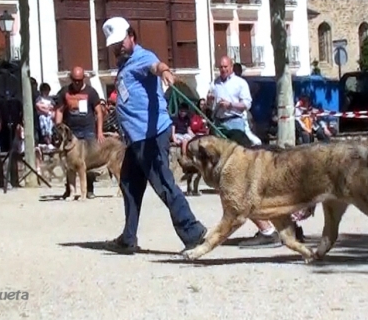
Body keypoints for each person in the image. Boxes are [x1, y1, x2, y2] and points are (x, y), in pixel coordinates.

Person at [102, 16, 207, 253]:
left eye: (120, 42)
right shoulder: (124, 64)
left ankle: (193, 231)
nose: (117, 47)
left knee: (164, 185)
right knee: (129, 184)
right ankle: (128, 238)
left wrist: (165, 72)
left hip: (150, 137)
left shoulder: (141, 57)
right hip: (136, 139)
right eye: (113, 45)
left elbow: (156, 66)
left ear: (132, 36)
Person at [208, 56, 281, 249]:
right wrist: (208, 103)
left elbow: (246, 104)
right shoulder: (214, 84)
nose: (222, 70)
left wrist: (230, 105)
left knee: (238, 178)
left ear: (231, 67)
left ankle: (269, 229)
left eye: (225, 67)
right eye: (220, 67)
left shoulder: (240, 84)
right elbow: (208, 106)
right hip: (219, 125)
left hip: (236, 125)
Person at [55, 67, 104, 199]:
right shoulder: (65, 92)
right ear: (71, 79)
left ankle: (89, 190)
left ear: (83, 79)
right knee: (69, 162)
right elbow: (59, 110)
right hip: (72, 131)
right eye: (75, 80)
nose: (77, 83)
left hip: (88, 130)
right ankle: (69, 190)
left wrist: (99, 131)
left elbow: (99, 112)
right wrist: (57, 127)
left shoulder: (91, 92)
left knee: (89, 161)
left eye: (79, 80)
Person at [232, 62, 262, 146]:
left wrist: (251, 95)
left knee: (250, 123)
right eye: (236, 70)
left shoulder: (244, 82)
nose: (238, 72)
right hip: (234, 110)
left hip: (244, 109)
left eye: (239, 70)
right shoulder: (230, 82)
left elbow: (256, 87)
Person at [35, 83, 55, 149]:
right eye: (45, 90)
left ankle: (50, 141)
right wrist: (46, 109)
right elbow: (38, 106)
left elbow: (52, 106)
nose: (47, 92)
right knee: (44, 125)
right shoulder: (39, 98)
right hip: (42, 116)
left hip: (49, 116)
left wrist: (45, 107)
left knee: (50, 126)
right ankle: (46, 141)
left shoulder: (50, 99)